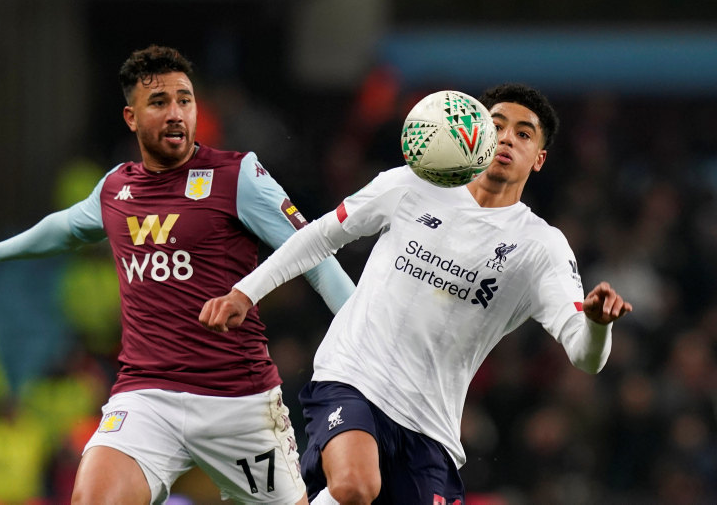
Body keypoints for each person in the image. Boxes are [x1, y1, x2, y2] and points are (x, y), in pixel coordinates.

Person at [0, 45, 355, 505]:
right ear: (131, 117)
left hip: (237, 402)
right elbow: (65, 228)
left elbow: (315, 256)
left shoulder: (239, 176)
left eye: (184, 100)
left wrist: (369, 355)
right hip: (145, 397)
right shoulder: (117, 186)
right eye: (159, 103)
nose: (175, 114)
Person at [200, 84, 633, 505]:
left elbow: (585, 356)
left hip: (431, 428)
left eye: (523, 134)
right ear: (477, 134)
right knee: (354, 486)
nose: (506, 138)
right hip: (352, 379)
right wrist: (244, 293)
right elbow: (320, 236)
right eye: (497, 125)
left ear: (538, 159)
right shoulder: (412, 183)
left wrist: (597, 324)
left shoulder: (542, 247)